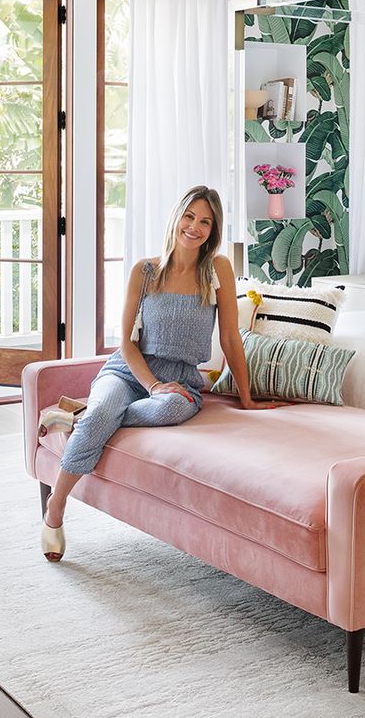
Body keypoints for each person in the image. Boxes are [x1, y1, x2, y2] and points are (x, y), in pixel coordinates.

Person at [40, 185, 278, 561]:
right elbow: (126, 344)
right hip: (128, 372)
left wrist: (246, 398)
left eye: (205, 221)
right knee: (108, 409)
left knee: (167, 409)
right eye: (189, 216)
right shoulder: (145, 270)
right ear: (176, 217)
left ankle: (80, 417)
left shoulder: (217, 270)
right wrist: (151, 385)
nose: (194, 227)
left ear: (212, 230)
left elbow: (231, 337)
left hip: (180, 381)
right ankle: (56, 508)